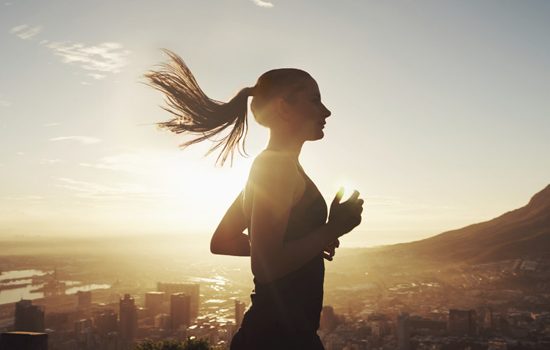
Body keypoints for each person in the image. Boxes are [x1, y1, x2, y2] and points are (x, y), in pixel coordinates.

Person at [146, 50, 364, 349]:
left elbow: (223, 240)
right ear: (283, 108)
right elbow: (266, 265)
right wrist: (332, 229)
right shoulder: (275, 169)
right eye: (315, 100)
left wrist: (310, 240)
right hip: (278, 338)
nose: (326, 111)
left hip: (274, 334)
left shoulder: (275, 166)